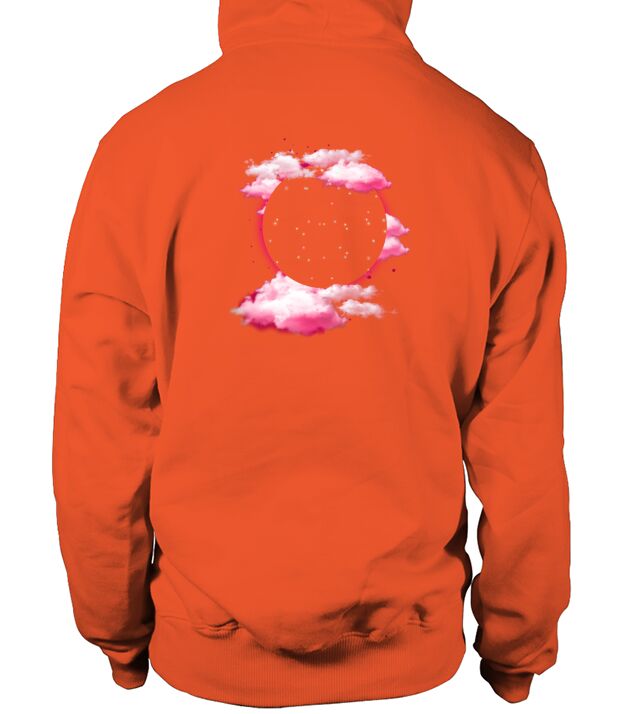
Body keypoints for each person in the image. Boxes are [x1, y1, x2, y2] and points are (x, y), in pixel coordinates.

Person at [52, 0, 570, 705]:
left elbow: (103, 423)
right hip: (414, 653)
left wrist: (115, 628)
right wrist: (517, 645)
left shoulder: (140, 149)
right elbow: (521, 440)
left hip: (202, 647)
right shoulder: (495, 154)